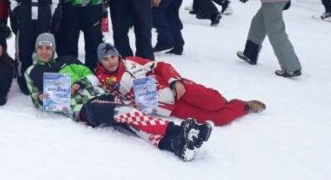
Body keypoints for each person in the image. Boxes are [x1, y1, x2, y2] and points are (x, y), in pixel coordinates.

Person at [24, 33, 212, 162]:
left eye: (48, 47)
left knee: (132, 123)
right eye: (40, 48)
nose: (44, 51)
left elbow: (92, 77)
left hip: (100, 95)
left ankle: (175, 145)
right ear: (36, 49)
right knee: (126, 113)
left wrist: (80, 83)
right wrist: (41, 98)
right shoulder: (32, 71)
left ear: (53, 49)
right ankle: (180, 130)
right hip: (83, 108)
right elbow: (36, 99)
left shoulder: (68, 61)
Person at [94, 43, 266, 126]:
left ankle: (225, 102)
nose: (110, 62)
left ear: (118, 55)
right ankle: (243, 106)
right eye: (105, 59)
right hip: (167, 107)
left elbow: (161, 66)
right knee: (219, 119)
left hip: (176, 89)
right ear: (100, 62)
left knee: (216, 101)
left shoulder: (132, 61)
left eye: (112, 56)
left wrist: (174, 80)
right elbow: (115, 101)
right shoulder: (103, 80)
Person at [9, 0, 60, 93]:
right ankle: (24, 79)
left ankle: (41, 78)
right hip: (25, 13)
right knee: (25, 49)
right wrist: (14, 16)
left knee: (42, 48)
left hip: (43, 14)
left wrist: (54, 19)